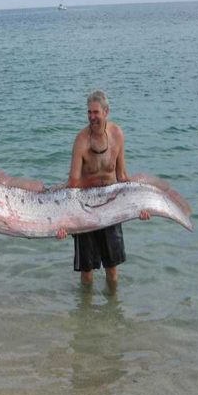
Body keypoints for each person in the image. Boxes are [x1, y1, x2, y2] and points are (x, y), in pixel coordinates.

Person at [55, 90, 149, 291]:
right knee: (87, 272)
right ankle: (85, 315)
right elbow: (73, 183)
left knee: (112, 269)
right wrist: (64, 222)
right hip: (86, 208)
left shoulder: (117, 135)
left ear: (106, 112)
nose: (91, 117)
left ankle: (113, 313)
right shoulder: (81, 141)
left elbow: (122, 177)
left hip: (111, 207)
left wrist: (139, 207)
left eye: (96, 112)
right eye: (89, 113)